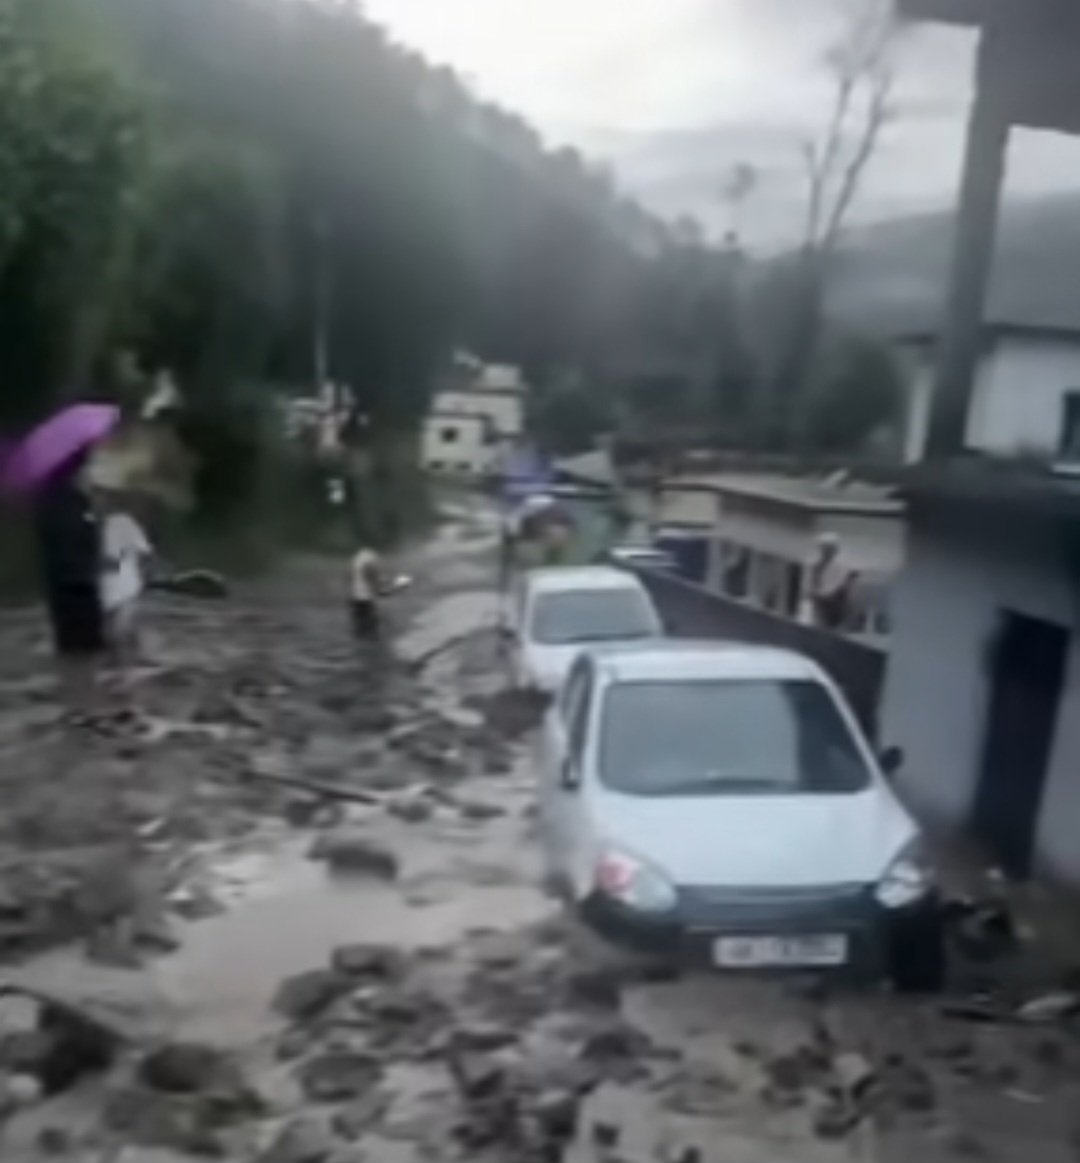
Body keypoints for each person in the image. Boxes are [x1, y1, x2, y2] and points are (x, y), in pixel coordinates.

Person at [34, 452, 106, 718]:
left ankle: (81, 702)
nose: (93, 474)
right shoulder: (63, 504)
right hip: (74, 584)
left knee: (81, 646)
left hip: (75, 582)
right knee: (79, 647)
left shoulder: (76, 503)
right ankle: (80, 704)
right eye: (89, 469)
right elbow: (68, 546)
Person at [99, 498, 152, 665]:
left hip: (124, 588)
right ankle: (128, 659)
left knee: (118, 631)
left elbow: (144, 552)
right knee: (113, 630)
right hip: (107, 589)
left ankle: (129, 663)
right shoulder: (89, 522)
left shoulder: (122, 522)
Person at [349, 543, 384, 641]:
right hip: (366, 597)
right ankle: (371, 644)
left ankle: (359, 645)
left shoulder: (357, 557)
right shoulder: (371, 557)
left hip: (355, 595)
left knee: (359, 626)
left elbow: (359, 576)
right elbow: (373, 576)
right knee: (372, 625)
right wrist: (379, 589)